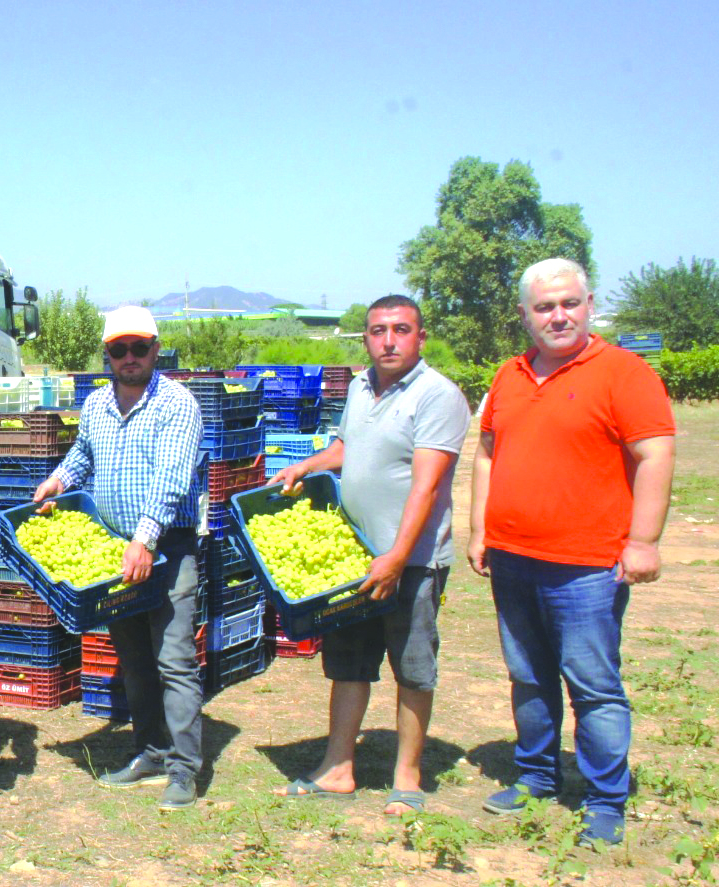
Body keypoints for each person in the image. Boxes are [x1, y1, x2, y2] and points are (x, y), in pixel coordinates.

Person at [470, 258, 675, 847]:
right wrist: (480, 529)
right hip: (512, 556)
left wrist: (644, 540)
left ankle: (606, 798)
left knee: (592, 683)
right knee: (528, 676)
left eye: (569, 304)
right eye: (544, 307)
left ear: (588, 305)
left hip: (587, 564)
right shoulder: (509, 376)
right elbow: (487, 452)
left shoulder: (625, 373)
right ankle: (536, 775)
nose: (558, 316)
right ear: (525, 316)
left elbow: (655, 456)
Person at [267, 295, 470, 815]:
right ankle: (338, 768)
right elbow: (346, 449)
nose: (388, 340)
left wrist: (398, 557)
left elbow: (426, 487)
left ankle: (407, 776)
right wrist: (306, 467)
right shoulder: (360, 387)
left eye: (401, 330)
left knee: (412, 666)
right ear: (366, 338)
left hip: (413, 560)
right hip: (355, 557)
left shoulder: (437, 396)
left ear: (420, 337)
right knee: (349, 664)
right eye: (378, 331)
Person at [31, 305, 205, 812]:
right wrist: (58, 480)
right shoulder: (96, 405)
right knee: (133, 661)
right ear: (107, 355)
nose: (129, 357)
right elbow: (83, 454)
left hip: (165, 549)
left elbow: (173, 478)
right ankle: (150, 752)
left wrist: (146, 540)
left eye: (139, 347)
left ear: (156, 348)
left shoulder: (178, 404)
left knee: (173, 660)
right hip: (115, 551)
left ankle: (183, 769)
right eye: (118, 349)